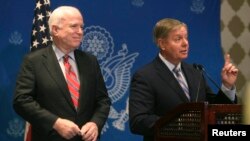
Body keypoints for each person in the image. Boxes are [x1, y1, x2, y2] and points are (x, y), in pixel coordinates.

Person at [129, 18, 238, 141]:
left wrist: (227, 86)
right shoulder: (145, 76)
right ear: (162, 44)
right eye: (178, 39)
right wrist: (179, 122)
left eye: (186, 37)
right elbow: (138, 121)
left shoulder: (196, 72)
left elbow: (214, 112)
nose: (185, 43)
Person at [13, 6, 111, 141]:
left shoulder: (90, 61)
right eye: (74, 26)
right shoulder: (34, 61)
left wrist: (95, 123)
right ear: (55, 30)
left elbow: (103, 100)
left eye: (82, 27)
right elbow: (21, 101)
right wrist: (55, 123)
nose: (80, 32)